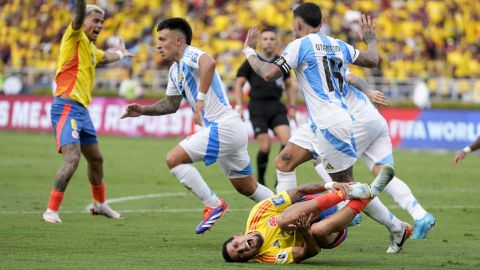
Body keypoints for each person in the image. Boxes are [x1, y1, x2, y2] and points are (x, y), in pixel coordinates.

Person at [121, 18, 274, 234]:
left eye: (163, 39)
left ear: (178, 40)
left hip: (224, 127)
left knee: (173, 159)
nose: (159, 45)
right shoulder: (175, 71)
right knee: (247, 187)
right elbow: (171, 104)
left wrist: (200, 99)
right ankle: (291, 209)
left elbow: (209, 62)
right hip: (228, 130)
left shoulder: (190, 54)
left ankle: (213, 204)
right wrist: (143, 110)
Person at [243, 3, 378, 189]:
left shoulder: (299, 45)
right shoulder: (338, 45)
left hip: (331, 123)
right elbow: (372, 59)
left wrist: (249, 51)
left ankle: (391, 218)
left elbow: (268, 73)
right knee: (284, 162)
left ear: (298, 25)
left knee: (347, 188)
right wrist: (371, 40)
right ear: (321, 23)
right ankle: (284, 215)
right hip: (319, 123)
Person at [43, 1, 134, 223]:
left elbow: (106, 57)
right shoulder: (73, 37)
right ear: (82, 21)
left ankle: (100, 204)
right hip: (66, 108)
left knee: (96, 159)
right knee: (72, 159)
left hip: (82, 112)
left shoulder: (91, 50)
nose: (100, 25)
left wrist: (121, 54)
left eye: (102, 22)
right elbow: (79, 13)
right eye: (95, 20)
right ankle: (51, 210)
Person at [222, 165, 403, 264]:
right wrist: (304, 232)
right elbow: (312, 251)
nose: (242, 249)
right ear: (249, 258)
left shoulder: (257, 214)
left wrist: (330, 186)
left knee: (283, 220)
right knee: (316, 231)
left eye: (236, 245)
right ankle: (368, 193)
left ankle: (345, 194)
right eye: (241, 255)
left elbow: (299, 191)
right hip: (325, 235)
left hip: (316, 206)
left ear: (238, 235)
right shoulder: (268, 257)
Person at [234, 27, 296, 187]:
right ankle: (261, 180)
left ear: (277, 42)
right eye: (265, 39)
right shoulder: (251, 62)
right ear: (260, 42)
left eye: (272, 39)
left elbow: (290, 85)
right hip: (257, 108)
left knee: (287, 142)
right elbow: (239, 84)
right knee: (265, 147)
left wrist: (293, 106)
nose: (268, 42)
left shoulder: (281, 62)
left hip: (277, 107)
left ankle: (280, 177)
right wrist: (239, 106)